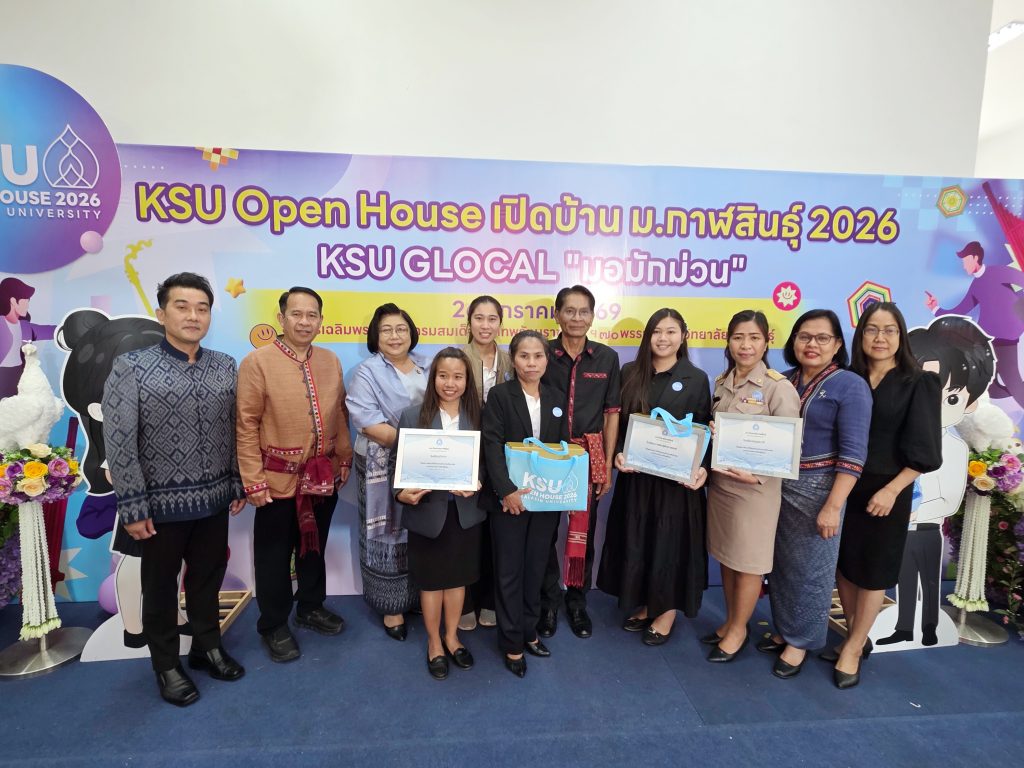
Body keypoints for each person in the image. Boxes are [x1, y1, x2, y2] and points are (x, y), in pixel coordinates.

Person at [103, 272, 245, 707]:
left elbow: (234, 429)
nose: (193, 316)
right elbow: (119, 440)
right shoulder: (131, 367)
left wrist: (236, 480)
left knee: (206, 579)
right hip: (158, 507)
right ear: (162, 313)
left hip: (215, 499)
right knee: (161, 588)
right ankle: (166, 665)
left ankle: (207, 648)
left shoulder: (225, 365)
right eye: (182, 307)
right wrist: (132, 504)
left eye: (202, 308)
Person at [237, 286, 353, 663]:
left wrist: (344, 458)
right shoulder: (257, 362)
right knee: (273, 555)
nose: (305, 321)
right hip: (277, 481)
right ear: (281, 318)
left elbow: (340, 415)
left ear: (321, 320)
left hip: (322, 476)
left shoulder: (330, 360)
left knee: (313, 547)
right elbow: (246, 424)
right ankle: (273, 624)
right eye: (297, 314)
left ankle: (310, 607)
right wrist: (252, 479)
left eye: (312, 315)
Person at [832, 302, 942, 689]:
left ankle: (853, 648)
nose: (880, 338)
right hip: (844, 485)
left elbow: (926, 451)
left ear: (901, 336)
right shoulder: (848, 378)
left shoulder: (918, 382)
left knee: (874, 569)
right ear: (860, 335)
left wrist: (893, 490)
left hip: (887, 491)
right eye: (872, 329)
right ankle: (854, 636)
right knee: (846, 564)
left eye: (889, 330)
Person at [757, 309, 871, 679]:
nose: (812, 344)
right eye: (804, 336)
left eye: (823, 338)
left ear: (837, 344)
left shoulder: (850, 385)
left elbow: (853, 454)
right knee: (782, 566)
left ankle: (801, 642)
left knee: (811, 571)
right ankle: (785, 629)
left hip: (820, 489)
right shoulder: (783, 380)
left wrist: (833, 506)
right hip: (777, 484)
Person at [596, 309, 711, 646]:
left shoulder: (696, 378)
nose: (663, 338)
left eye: (671, 331)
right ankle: (647, 602)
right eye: (657, 331)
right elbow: (617, 422)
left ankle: (667, 610)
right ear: (648, 336)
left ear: (683, 336)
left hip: (675, 483)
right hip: (637, 478)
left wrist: (701, 466)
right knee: (640, 540)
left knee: (669, 545)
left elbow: (704, 428)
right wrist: (618, 452)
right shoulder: (630, 372)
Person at [877, 316, 994, 647]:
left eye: (951, 396)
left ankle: (929, 626)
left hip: (926, 528)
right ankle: (904, 626)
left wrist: (913, 508)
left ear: (970, 401)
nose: (933, 403)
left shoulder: (954, 447)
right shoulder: (898, 438)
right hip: (899, 526)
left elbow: (950, 500)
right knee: (903, 579)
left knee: (929, 581)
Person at [704, 309, 800, 663]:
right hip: (722, 487)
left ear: (766, 342)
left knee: (748, 563)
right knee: (728, 557)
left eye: (754, 338)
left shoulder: (778, 387)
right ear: (728, 341)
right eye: (738, 337)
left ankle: (739, 631)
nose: (745, 345)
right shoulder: (722, 381)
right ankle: (731, 621)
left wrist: (758, 476)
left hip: (755, 493)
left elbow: (791, 445)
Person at [390, 347, 486, 679]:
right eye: (443, 376)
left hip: (464, 513)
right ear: (433, 379)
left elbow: (487, 462)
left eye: (458, 376)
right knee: (431, 583)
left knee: (457, 580)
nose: (450, 383)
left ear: (467, 381)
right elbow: (396, 464)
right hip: (427, 513)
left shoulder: (479, 415)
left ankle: (452, 636)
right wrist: (401, 492)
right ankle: (434, 642)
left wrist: (478, 481)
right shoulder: (412, 416)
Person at [481, 330, 568, 677]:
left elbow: (562, 448)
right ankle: (511, 641)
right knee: (509, 572)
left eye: (538, 356)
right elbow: (491, 445)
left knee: (536, 569)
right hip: (510, 501)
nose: (531, 363)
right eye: (524, 356)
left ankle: (529, 630)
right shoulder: (500, 396)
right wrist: (507, 490)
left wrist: (564, 490)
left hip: (545, 500)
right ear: (513, 359)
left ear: (547, 359)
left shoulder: (556, 396)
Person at [538, 285, 621, 640]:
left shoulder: (606, 358)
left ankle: (576, 601)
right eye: (569, 311)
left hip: (588, 457)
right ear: (557, 314)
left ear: (592, 315)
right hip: (547, 456)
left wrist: (607, 466)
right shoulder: (542, 353)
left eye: (583, 311)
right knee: (543, 533)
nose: (576, 318)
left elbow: (612, 413)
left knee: (581, 535)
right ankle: (547, 602)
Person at [347, 303, 427, 638]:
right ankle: (391, 607)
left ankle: (417, 597)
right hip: (381, 466)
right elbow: (368, 423)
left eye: (401, 329)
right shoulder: (365, 373)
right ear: (375, 337)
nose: (395, 336)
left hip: (424, 464)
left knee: (419, 530)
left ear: (411, 333)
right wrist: (418, 444)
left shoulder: (427, 366)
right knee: (385, 533)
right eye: (387, 330)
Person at [458, 295, 512, 631]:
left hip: (501, 456)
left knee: (498, 532)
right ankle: (465, 602)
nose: (485, 325)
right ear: (469, 322)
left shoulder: (511, 360)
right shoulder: (456, 358)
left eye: (492, 319)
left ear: (500, 324)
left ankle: (491, 600)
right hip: (465, 455)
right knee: (466, 532)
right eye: (479, 318)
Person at [925, 240, 1024, 410]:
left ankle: (1017, 392)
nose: (963, 266)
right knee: (989, 385)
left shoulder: (998, 272)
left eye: (965, 261)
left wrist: (1015, 308)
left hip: (1005, 337)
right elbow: (960, 311)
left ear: (974, 258)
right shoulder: (976, 285)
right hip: (988, 339)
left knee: (1011, 380)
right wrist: (935, 308)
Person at [0, 277, 56, 401]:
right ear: (13, 301)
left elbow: (48, 331)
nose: (28, 304)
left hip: (18, 376)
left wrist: (71, 328)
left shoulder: (24, 326)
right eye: (26, 300)